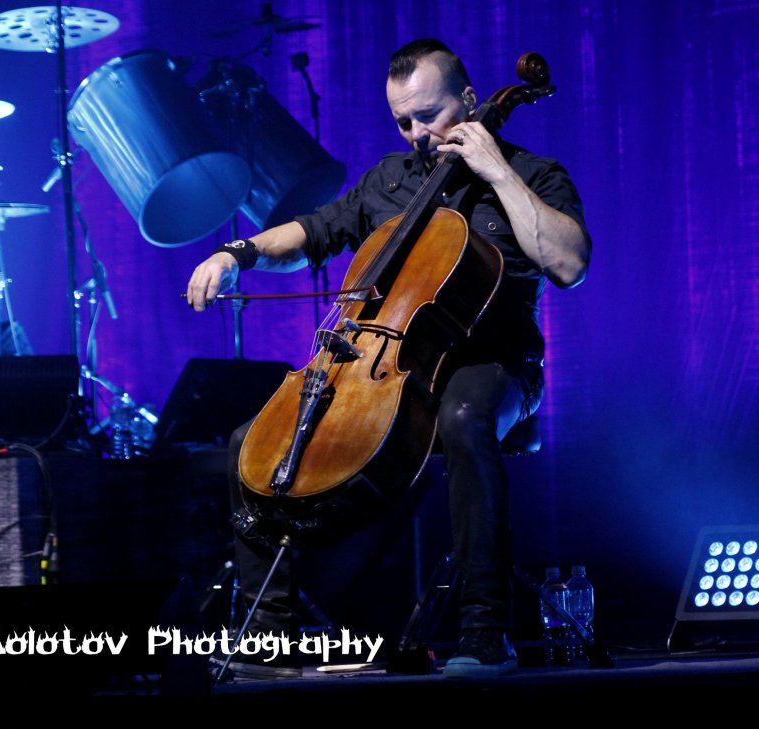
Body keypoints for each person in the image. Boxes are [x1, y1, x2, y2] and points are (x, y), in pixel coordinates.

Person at [186, 38, 591, 679]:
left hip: (495, 365)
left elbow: (568, 264)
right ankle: (272, 637)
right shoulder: (389, 180)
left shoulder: (534, 173)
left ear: (468, 100)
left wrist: (496, 172)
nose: (417, 134)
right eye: (402, 120)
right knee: (250, 443)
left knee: (462, 416)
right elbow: (313, 232)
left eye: (428, 115)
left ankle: (485, 632)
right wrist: (235, 253)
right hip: (387, 363)